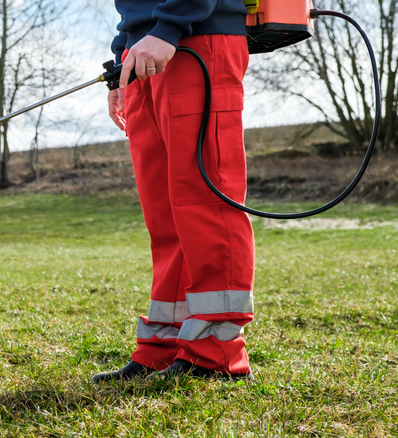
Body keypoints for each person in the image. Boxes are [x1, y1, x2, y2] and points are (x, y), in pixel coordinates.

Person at [92, 0, 256, 382]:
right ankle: (165, 344)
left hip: (194, 37)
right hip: (145, 48)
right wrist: (123, 56)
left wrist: (169, 27)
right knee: (164, 211)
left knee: (204, 199)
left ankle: (216, 350)